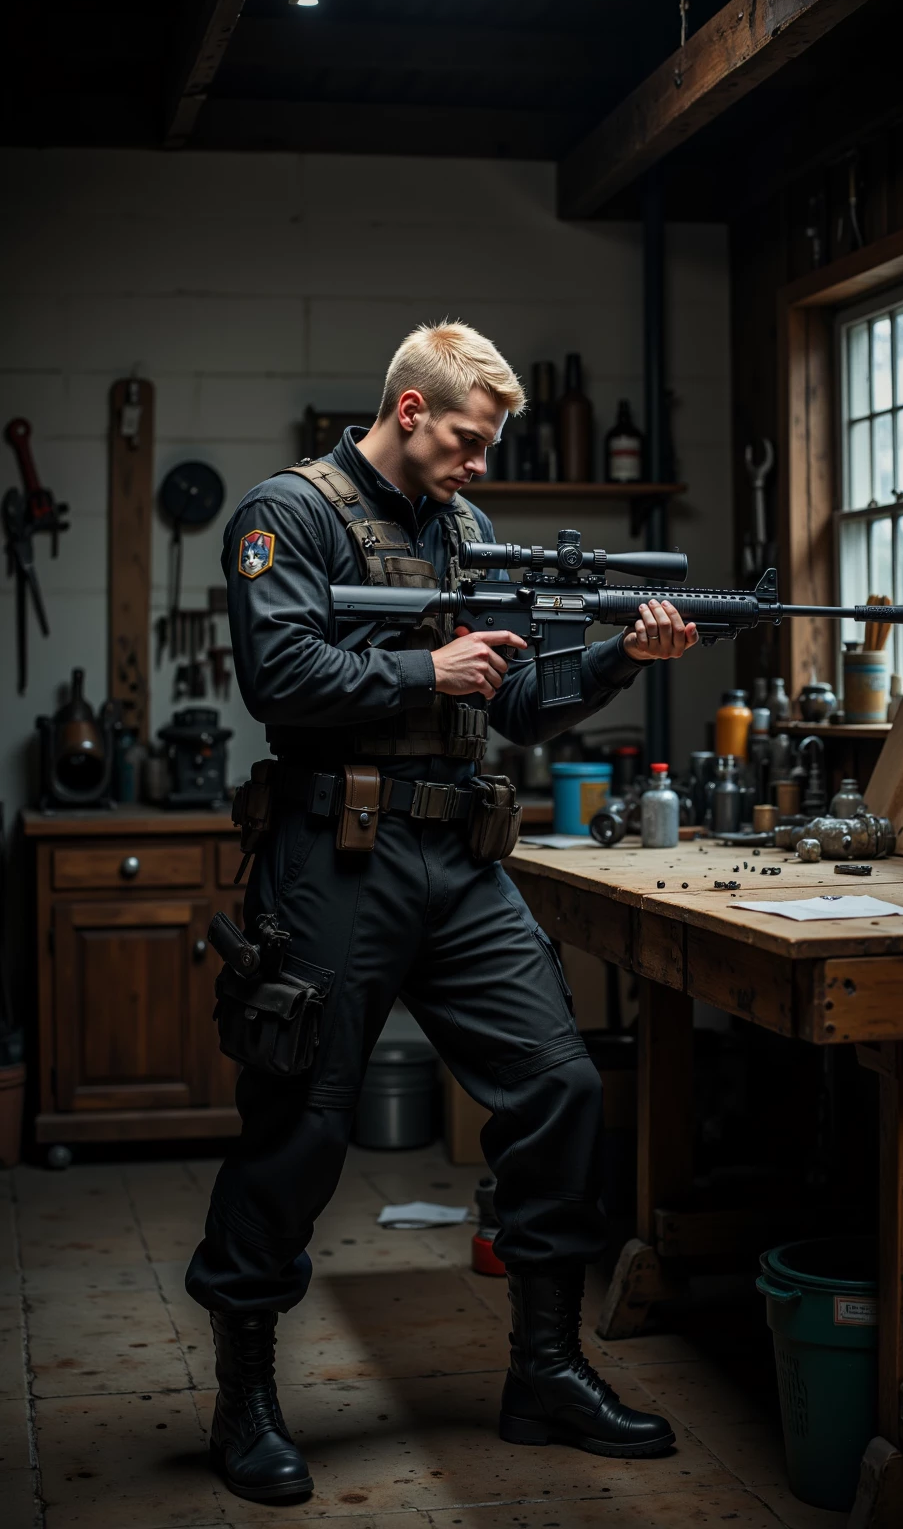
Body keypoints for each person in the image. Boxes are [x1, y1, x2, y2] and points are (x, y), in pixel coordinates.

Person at [186, 321, 699, 1503]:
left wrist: (621, 654)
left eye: (489, 449)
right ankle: (245, 1398)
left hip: (457, 856)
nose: (480, 468)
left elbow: (514, 700)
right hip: (334, 854)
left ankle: (545, 1367)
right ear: (410, 411)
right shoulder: (292, 512)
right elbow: (280, 676)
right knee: (304, 1123)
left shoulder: (462, 531)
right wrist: (428, 671)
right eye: (469, 442)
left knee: (559, 1087)